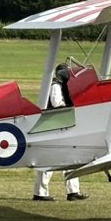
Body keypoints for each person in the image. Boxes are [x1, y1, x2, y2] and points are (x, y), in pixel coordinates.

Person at [32, 64, 88, 202]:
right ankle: (40, 193)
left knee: (71, 158)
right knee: (49, 160)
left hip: (62, 126)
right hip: (55, 126)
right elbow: (57, 103)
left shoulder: (62, 85)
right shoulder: (56, 86)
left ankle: (73, 191)